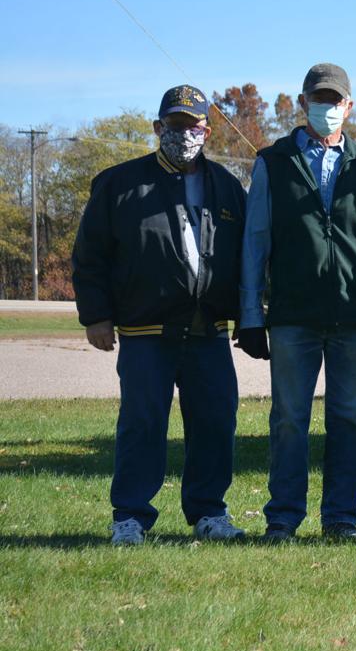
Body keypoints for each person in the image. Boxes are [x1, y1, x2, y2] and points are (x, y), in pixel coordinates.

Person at [237, 63, 356, 544]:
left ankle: (341, 519)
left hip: (355, 317)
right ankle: (283, 519)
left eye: (335, 100)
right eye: (319, 99)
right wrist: (251, 315)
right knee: (289, 420)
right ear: (302, 103)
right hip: (293, 317)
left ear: (349, 107)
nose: (327, 108)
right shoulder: (273, 162)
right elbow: (255, 242)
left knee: (353, 419)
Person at [72, 84, 247, 546]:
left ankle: (209, 512)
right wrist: (96, 315)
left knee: (216, 422)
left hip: (209, 330)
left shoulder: (228, 186)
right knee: (143, 423)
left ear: (207, 131)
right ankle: (130, 516)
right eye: (174, 125)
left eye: (193, 125)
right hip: (145, 330)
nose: (184, 134)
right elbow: (90, 256)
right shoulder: (118, 184)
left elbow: (247, 257)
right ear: (157, 127)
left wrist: (248, 314)